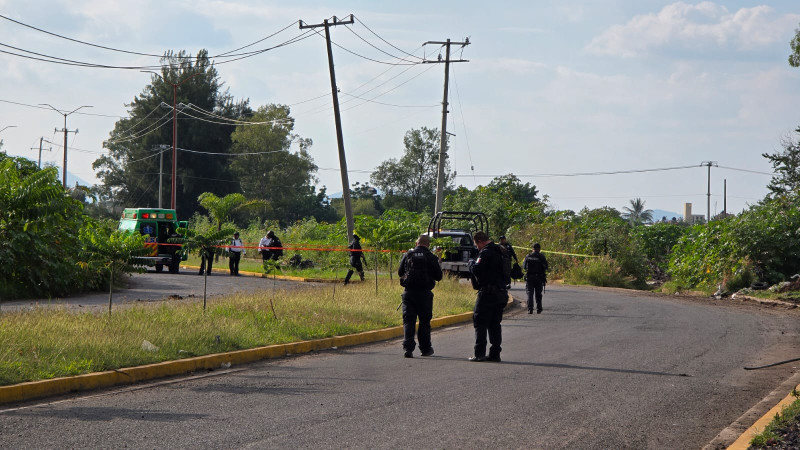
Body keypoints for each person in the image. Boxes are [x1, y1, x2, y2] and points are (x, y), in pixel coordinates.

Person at [397, 234, 443, 358]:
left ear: (416, 243)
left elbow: (400, 272)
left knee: (408, 321)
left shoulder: (408, 255)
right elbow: (439, 276)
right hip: (424, 294)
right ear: (428, 245)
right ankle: (425, 349)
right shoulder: (431, 256)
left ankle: (408, 349)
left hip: (409, 293)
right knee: (424, 322)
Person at [468, 231, 508, 362]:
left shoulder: (485, 253)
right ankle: (495, 354)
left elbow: (477, 269)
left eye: (476, 245)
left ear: (479, 241)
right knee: (495, 324)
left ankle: (479, 353)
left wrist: (471, 264)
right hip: (501, 293)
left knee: (480, 322)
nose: (477, 247)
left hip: (487, 293)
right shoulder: (501, 251)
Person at [523, 242, 549, 314]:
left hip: (530, 277)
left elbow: (524, 266)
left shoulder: (528, 256)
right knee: (538, 294)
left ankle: (530, 309)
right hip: (539, 277)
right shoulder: (541, 256)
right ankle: (539, 308)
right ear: (539, 249)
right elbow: (546, 267)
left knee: (530, 293)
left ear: (532, 249)